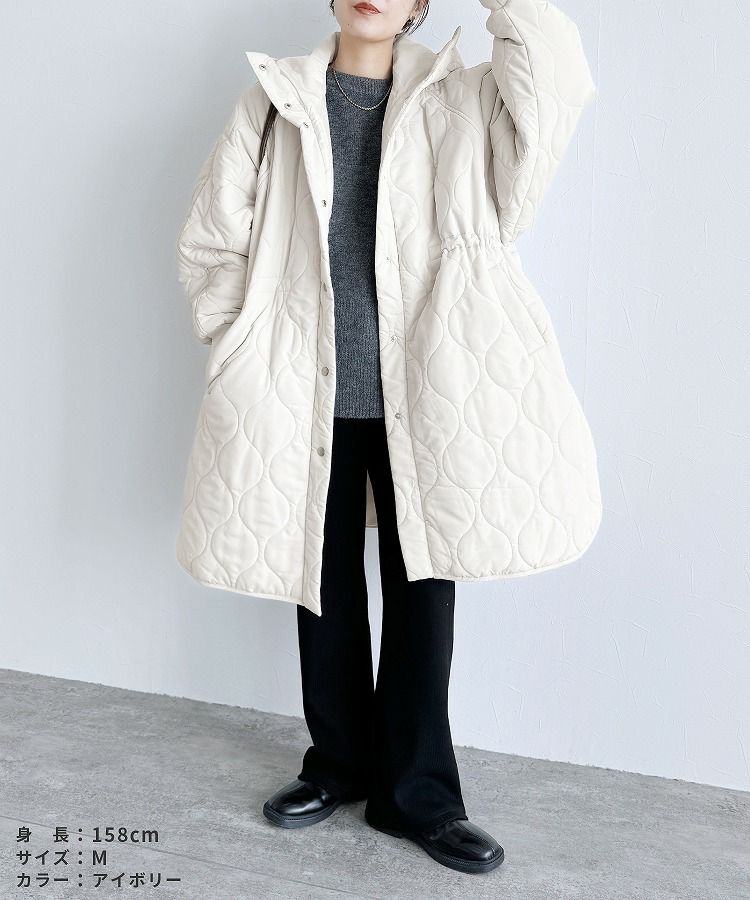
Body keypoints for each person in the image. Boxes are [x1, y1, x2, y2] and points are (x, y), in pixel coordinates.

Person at [176, 0, 599, 877]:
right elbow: (214, 239)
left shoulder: (464, 97)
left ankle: (421, 795)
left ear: (420, 6)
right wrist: (240, 343)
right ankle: (336, 765)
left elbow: (556, 86)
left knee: (423, 592)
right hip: (305, 388)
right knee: (320, 584)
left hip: (429, 388)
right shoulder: (273, 100)